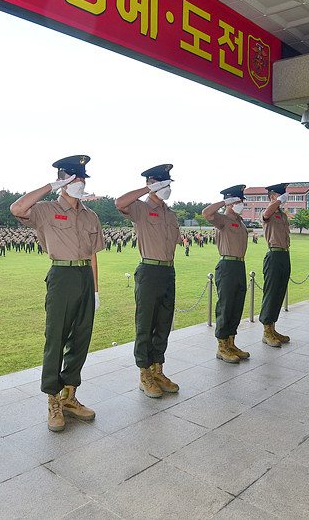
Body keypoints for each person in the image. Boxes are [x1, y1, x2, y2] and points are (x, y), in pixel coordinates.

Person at [10, 155, 104, 432]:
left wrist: (96, 289)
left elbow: (94, 255)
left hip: (85, 275)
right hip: (61, 275)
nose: (79, 182)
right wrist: (50, 186)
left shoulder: (91, 215)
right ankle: (52, 399)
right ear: (62, 180)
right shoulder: (47, 210)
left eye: (82, 178)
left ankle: (70, 396)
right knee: (56, 339)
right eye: (73, 178)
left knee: (81, 338)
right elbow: (17, 208)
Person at [116, 164, 182, 398]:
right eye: (162, 184)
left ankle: (158, 369)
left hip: (168, 271)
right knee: (145, 325)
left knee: (164, 323)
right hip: (149, 270)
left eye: (168, 184)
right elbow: (120, 203)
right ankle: (144, 372)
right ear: (151, 184)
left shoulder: (171, 214)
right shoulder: (142, 209)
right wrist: (146, 190)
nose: (167, 189)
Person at [202, 185, 249, 363]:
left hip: (239, 266)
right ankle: (222, 346)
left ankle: (231, 342)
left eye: (241, 201)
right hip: (227, 265)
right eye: (237, 201)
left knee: (236, 306)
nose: (240, 204)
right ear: (229, 203)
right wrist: (224, 202)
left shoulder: (239, 221)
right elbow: (206, 213)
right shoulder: (223, 219)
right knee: (226, 306)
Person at [259, 183, 292, 348]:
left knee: (279, 292)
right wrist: (278, 201)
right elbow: (267, 213)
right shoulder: (268, 212)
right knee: (271, 293)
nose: (283, 199)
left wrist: (279, 203)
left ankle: (273, 328)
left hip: (284, 254)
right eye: (279, 195)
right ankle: (266, 331)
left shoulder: (281, 214)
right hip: (273, 254)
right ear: (273, 196)